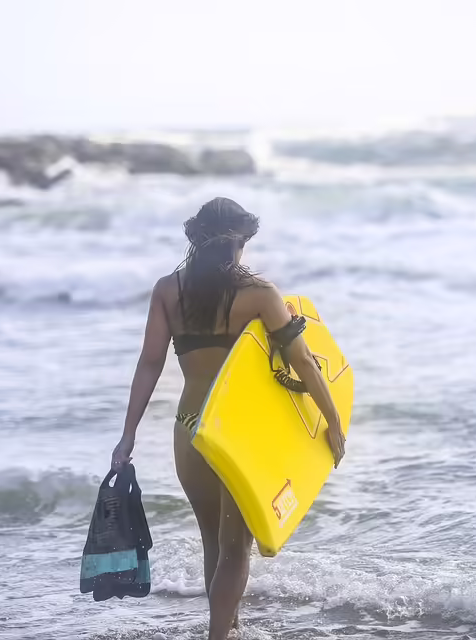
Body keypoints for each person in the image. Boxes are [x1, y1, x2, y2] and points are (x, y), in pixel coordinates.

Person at [110, 197, 346, 640]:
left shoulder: (168, 290)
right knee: (236, 548)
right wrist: (332, 420)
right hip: (237, 432)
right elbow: (305, 364)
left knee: (213, 543)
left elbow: (149, 364)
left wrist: (128, 435)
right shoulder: (259, 294)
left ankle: (230, 628)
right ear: (238, 242)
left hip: (188, 426)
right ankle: (218, 636)